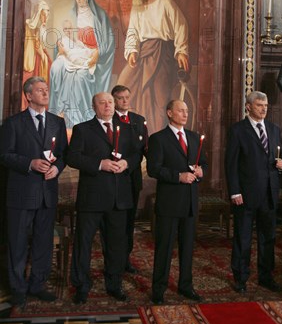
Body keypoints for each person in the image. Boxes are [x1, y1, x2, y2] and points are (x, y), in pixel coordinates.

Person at [67, 92, 140, 304]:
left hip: (119, 198)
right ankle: (81, 285)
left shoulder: (127, 129)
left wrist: (127, 163)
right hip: (92, 198)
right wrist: (100, 164)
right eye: (103, 102)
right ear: (94, 106)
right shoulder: (82, 129)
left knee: (116, 245)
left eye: (110, 102)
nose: (108, 105)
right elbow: (73, 157)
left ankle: (114, 284)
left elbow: (137, 154)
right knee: (84, 243)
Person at [0, 76, 67, 307]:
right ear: (29, 96)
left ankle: (37, 285)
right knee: (17, 243)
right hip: (21, 193)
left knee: (43, 242)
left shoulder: (57, 122)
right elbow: (4, 155)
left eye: (46, 89)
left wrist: (56, 169)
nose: (45, 93)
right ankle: (17, 288)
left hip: (47, 193)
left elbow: (63, 155)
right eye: (40, 90)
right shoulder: (13, 123)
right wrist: (30, 163)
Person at [147, 100, 207, 305]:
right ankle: (159, 289)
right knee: (164, 248)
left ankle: (185, 286)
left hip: (190, 202)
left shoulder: (193, 137)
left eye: (187, 110)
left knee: (188, 248)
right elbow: (154, 169)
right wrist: (178, 176)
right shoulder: (158, 139)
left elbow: (203, 163)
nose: (185, 113)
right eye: (181, 110)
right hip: (169, 202)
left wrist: (201, 172)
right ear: (169, 112)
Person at [225, 91, 282, 294]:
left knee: (268, 238)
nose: (264, 108)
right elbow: (231, 164)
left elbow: (281, 153)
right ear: (248, 107)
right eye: (260, 105)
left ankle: (266, 276)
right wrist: (234, 191)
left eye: (266, 105)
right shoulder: (238, 130)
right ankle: (240, 277)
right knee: (243, 238)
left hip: (269, 193)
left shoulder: (274, 129)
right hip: (246, 194)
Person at [117, 0, 189, 134]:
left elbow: (181, 25)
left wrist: (181, 51)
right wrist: (132, 50)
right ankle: (131, 133)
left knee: (159, 96)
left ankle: (156, 134)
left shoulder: (165, 3)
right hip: (143, 53)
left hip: (162, 53)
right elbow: (133, 32)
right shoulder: (137, 9)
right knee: (124, 82)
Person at [49, 0, 115, 128]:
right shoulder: (72, 13)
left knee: (80, 77)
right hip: (73, 51)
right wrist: (60, 45)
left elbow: (107, 42)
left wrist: (97, 53)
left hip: (91, 53)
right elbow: (65, 35)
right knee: (56, 67)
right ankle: (59, 113)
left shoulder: (99, 16)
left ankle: (80, 119)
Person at [111, 84, 147, 274]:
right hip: (113, 179)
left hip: (132, 178)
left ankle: (126, 258)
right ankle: (113, 259)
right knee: (115, 223)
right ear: (114, 100)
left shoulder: (139, 120)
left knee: (129, 222)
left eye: (127, 97)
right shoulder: (109, 119)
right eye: (120, 98)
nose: (125, 101)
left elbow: (144, 149)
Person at [21, 0, 51, 110]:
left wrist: (43, 56)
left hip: (39, 60)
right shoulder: (29, 25)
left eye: (47, 15)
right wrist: (39, 53)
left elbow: (41, 46)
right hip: (30, 60)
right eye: (44, 15)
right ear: (39, 13)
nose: (45, 19)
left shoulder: (41, 28)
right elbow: (30, 46)